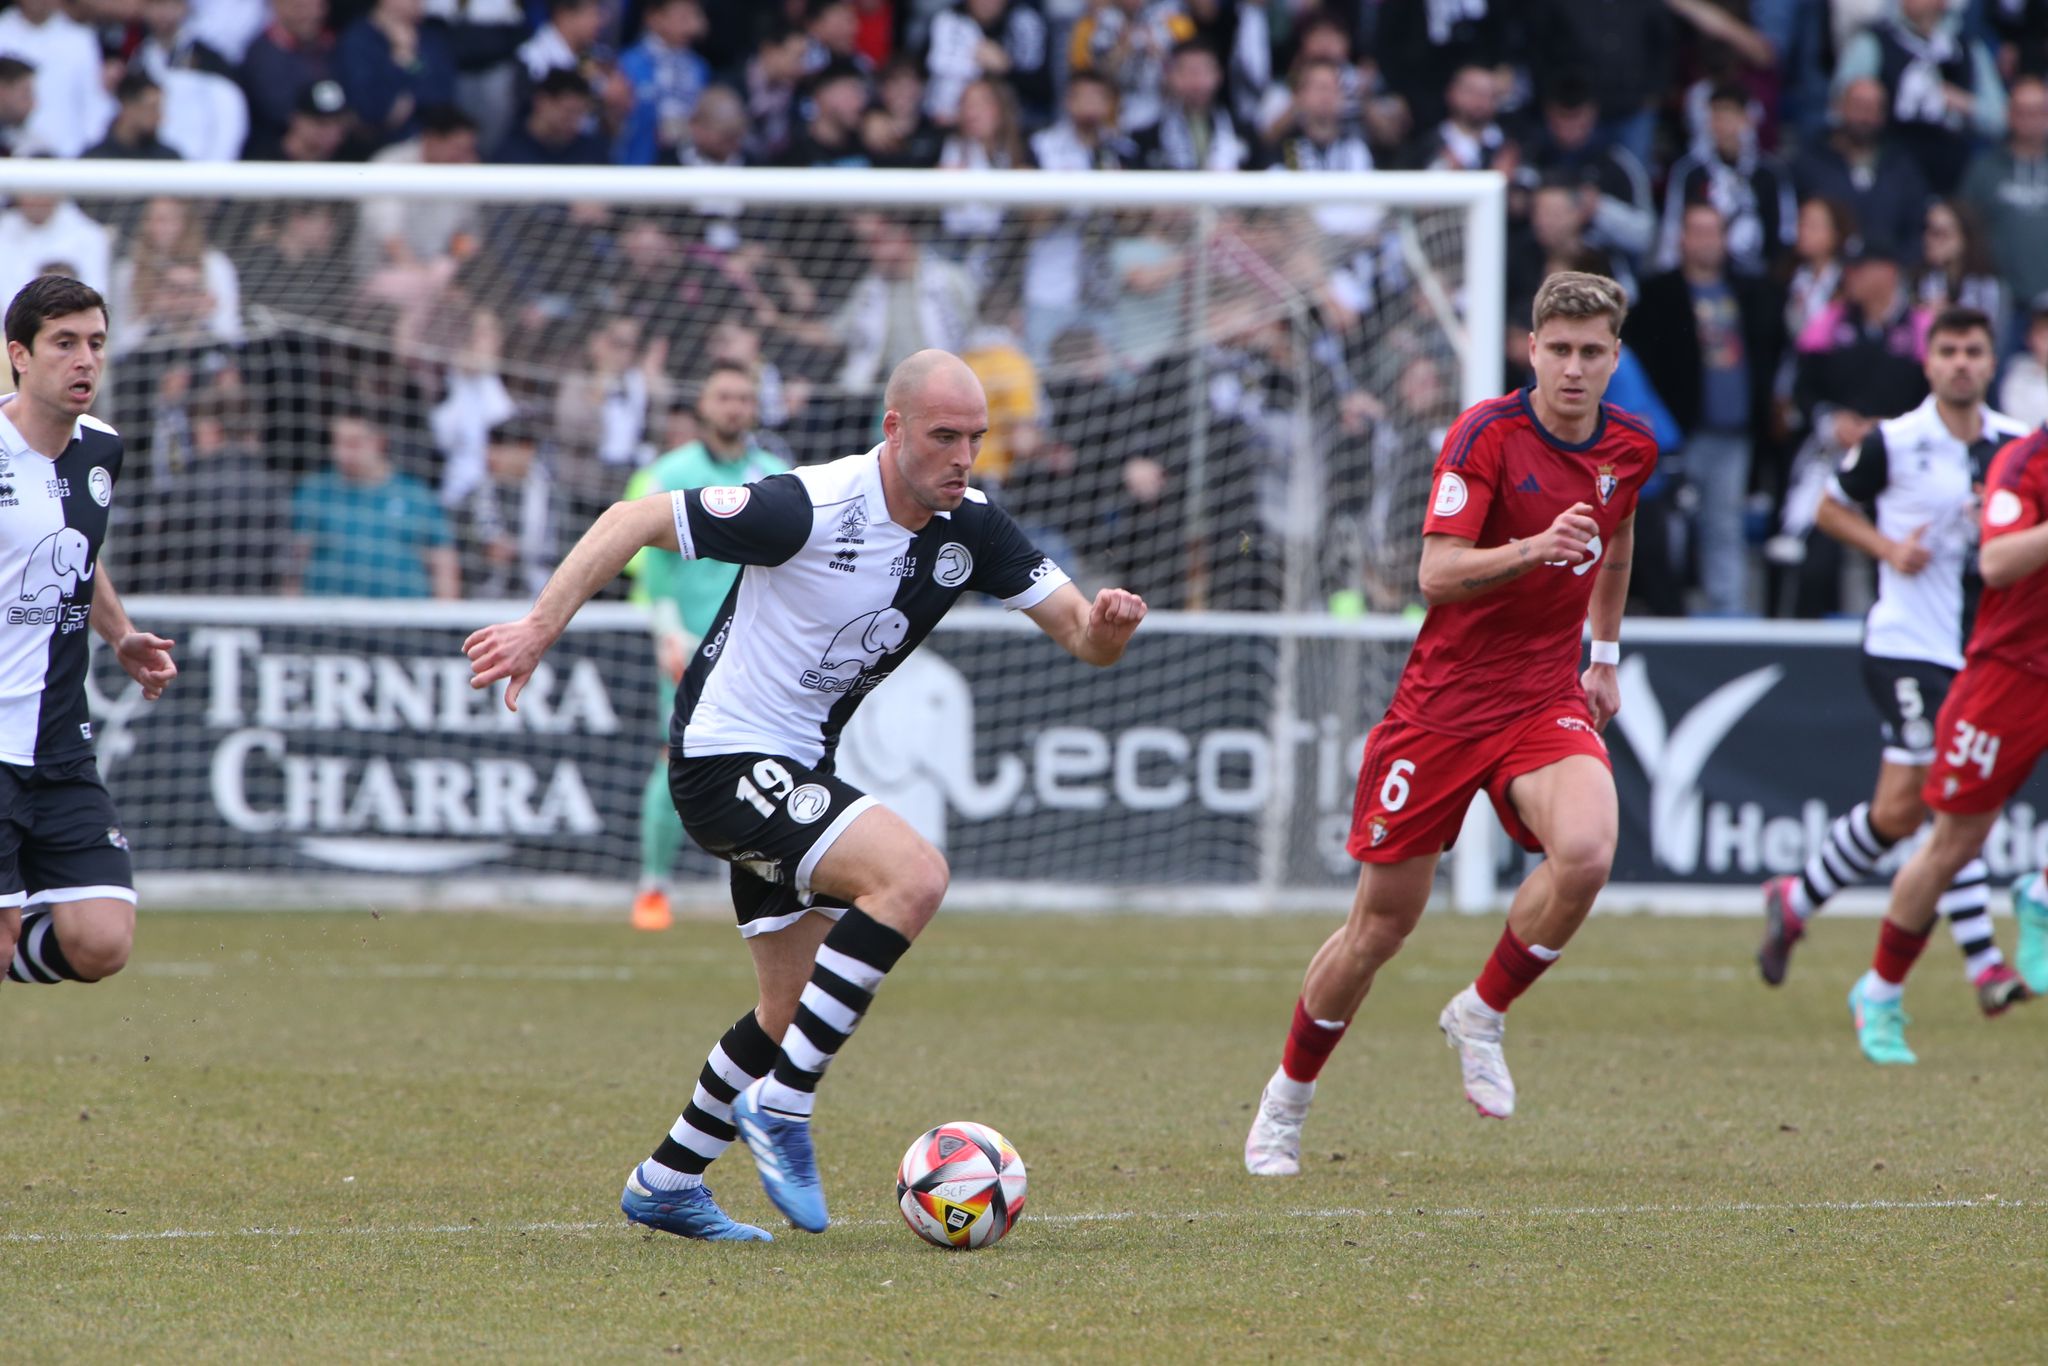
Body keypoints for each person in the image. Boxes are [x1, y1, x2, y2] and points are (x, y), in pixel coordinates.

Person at [463, 349, 1146, 1238]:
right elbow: (632, 518)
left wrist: (1110, 627)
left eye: (975, 438)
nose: (963, 458)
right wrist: (537, 628)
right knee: (913, 877)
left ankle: (667, 1180)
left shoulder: (973, 526)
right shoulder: (808, 506)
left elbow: (1084, 640)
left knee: (787, 1011)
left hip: (793, 769)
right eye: (944, 436)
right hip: (723, 761)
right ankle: (783, 1105)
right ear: (893, 429)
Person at [1243, 272, 1657, 1174]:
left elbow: (1618, 538)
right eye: (1559, 350)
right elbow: (1435, 574)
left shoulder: (1631, 446)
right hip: (1441, 709)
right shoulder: (1486, 435)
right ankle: (1286, 1100)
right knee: (1379, 931)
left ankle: (1481, 1011)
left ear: (1614, 357)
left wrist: (1604, 656)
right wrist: (1534, 548)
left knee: (1588, 852)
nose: (1574, 368)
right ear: (1532, 350)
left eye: (1592, 353)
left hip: (1542, 698)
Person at [1761, 306, 2033, 1015]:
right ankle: (1984, 962)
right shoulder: (1896, 441)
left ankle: (1796, 897)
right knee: (1949, 794)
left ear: (1990, 361)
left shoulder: (2016, 446)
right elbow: (1828, 508)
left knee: (1899, 811)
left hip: (1979, 651)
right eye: (1949, 351)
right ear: (1929, 362)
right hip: (1906, 643)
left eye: (1974, 351)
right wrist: (1887, 549)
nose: (1962, 363)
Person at [1846, 419, 2048, 1064]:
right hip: (2011, 674)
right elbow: (1996, 561)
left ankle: (2041, 896)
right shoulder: (2025, 461)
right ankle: (1880, 994)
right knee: (1951, 845)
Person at [0, 275, 179, 991]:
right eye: (64, 343)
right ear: (19, 355)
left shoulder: (101, 448)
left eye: (97, 344)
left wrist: (120, 633)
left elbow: (76, 548)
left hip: (59, 743)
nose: (85, 360)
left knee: (101, 940)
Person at [619, 359, 788, 934]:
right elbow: (648, 560)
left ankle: (766, 883)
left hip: (760, 649)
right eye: (724, 396)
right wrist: (667, 626)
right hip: (689, 644)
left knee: (772, 760)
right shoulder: (668, 473)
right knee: (676, 761)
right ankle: (653, 885)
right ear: (703, 405)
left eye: (744, 397)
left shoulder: (777, 476)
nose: (735, 407)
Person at [287, 409, 459, 598]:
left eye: (353, 444)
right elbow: (294, 563)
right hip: (325, 612)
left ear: (379, 442)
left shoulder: (415, 494)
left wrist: (446, 611)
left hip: (402, 613)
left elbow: (442, 559)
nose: (341, 453)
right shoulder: (314, 491)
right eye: (337, 442)